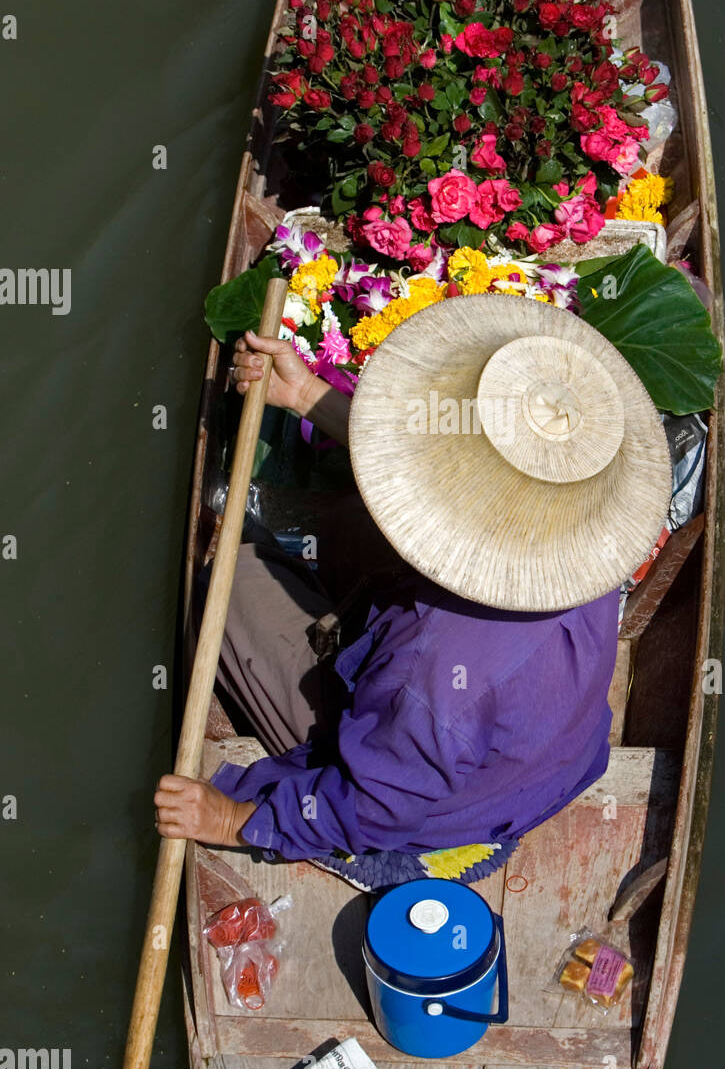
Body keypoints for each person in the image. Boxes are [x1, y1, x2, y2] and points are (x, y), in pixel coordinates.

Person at [154, 295, 670, 887]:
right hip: (542, 748)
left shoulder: (432, 679)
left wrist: (232, 819)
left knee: (225, 574)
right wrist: (303, 396)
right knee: (354, 520)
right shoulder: (587, 530)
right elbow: (422, 460)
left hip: (439, 792)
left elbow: (372, 806)